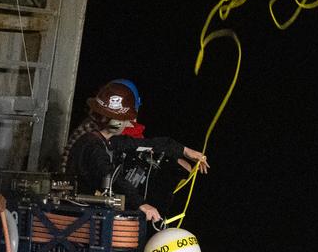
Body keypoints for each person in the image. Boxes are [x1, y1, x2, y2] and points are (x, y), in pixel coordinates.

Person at [60, 81, 208, 225]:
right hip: (81, 219)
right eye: (128, 118)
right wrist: (141, 204)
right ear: (117, 122)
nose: (132, 121)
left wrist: (185, 150)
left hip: (89, 215)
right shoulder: (91, 146)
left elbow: (149, 144)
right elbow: (112, 177)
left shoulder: (111, 141)